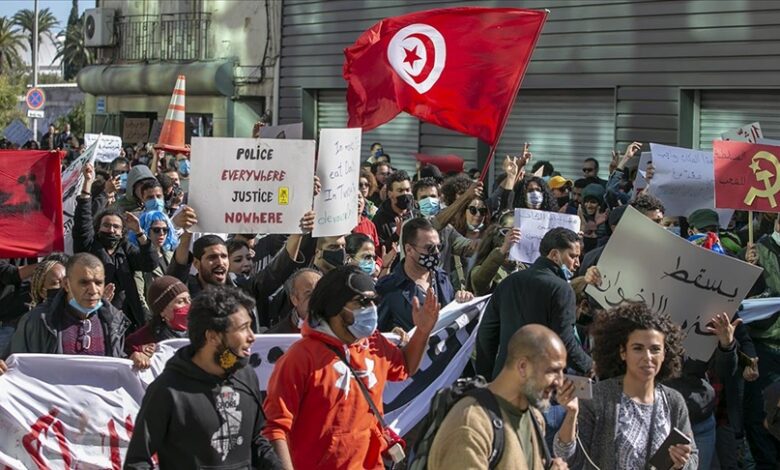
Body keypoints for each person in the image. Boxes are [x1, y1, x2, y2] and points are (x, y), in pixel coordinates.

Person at [262, 265, 439, 469]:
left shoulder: (373, 344)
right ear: (335, 307)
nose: (371, 309)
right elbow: (275, 427)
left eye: (373, 301)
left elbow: (405, 366)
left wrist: (423, 332)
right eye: (361, 302)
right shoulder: (299, 358)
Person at [124, 286, 282, 469]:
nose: (252, 337)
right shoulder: (167, 391)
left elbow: (256, 441)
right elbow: (137, 462)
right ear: (212, 336)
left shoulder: (246, 377)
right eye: (243, 328)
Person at [553, 302, 698, 469]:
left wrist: (681, 463)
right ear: (623, 352)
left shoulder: (674, 401)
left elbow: (693, 459)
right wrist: (571, 415)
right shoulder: (598, 398)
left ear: (665, 353)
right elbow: (567, 459)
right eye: (638, 348)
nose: (647, 357)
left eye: (655, 349)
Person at [428, 325, 571, 469]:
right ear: (523, 367)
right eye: (553, 370)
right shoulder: (471, 425)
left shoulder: (534, 419)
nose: (559, 382)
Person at [476, 227, 592, 379]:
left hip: (503, 379)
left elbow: (486, 334)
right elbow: (565, 340)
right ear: (555, 255)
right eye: (572, 256)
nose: (577, 263)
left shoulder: (509, 282)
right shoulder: (562, 289)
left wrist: (486, 377)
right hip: (538, 383)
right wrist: (590, 366)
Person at [75, 163, 160, 329]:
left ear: (122, 232)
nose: (111, 230)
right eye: (106, 225)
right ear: (98, 228)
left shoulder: (125, 250)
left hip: (125, 321)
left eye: (116, 227)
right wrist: (87, 183)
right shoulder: (88, 246)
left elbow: (150, 263)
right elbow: (83, 220)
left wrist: (139, 233)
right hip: (92, 318)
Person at [4, 253, 131, 360]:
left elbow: (118, 366)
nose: (93, 290)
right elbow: (17, 368)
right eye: (84, 282)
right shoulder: (37, 321)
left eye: (98, 283)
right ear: (66, 284)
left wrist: (134, 359)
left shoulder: (113, 321)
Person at [377, 217, 472, 332]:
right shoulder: (388, 287)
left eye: (439, 247)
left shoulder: (441, 277)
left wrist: (461, 300)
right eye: (430, 248)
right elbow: (376, 334)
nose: (437, 252)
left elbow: (451, 314)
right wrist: (393, 335)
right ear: (409, 250)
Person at [124, 276, 190, 369]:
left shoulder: (202, 331)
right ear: (162, 311)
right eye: (180, 301)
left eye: (189, 299)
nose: (188, 305)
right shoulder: (141, 341)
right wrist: (135, 356)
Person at [469, 211, 523, 296]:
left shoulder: (526, 270)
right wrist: (504, 249)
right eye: (507, 233)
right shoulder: (483, 269)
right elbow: (479, 284)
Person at [267, 268, 322, 334]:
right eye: (309, 293)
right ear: (294, 299)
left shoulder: (336, 328)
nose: (317, 299)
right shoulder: (275, 337)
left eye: (321, 292)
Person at [372, 170, 414, 251]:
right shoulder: (380, 219)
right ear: (390, 194)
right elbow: (379, 249)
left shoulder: (416, 213)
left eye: (408, 190)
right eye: (400, 191)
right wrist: (396, 235)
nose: (405, 194)